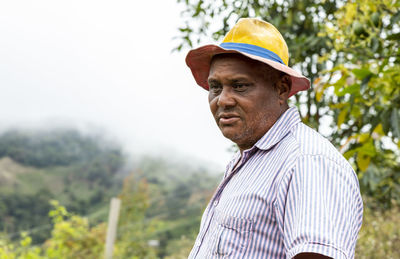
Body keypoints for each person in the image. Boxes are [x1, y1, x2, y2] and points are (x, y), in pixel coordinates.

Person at [185, 18, 363, 259]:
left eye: (239, 86)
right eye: (215, 87)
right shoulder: (248, 163)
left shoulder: (307, 161)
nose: (223, 100)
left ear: (281, 89)